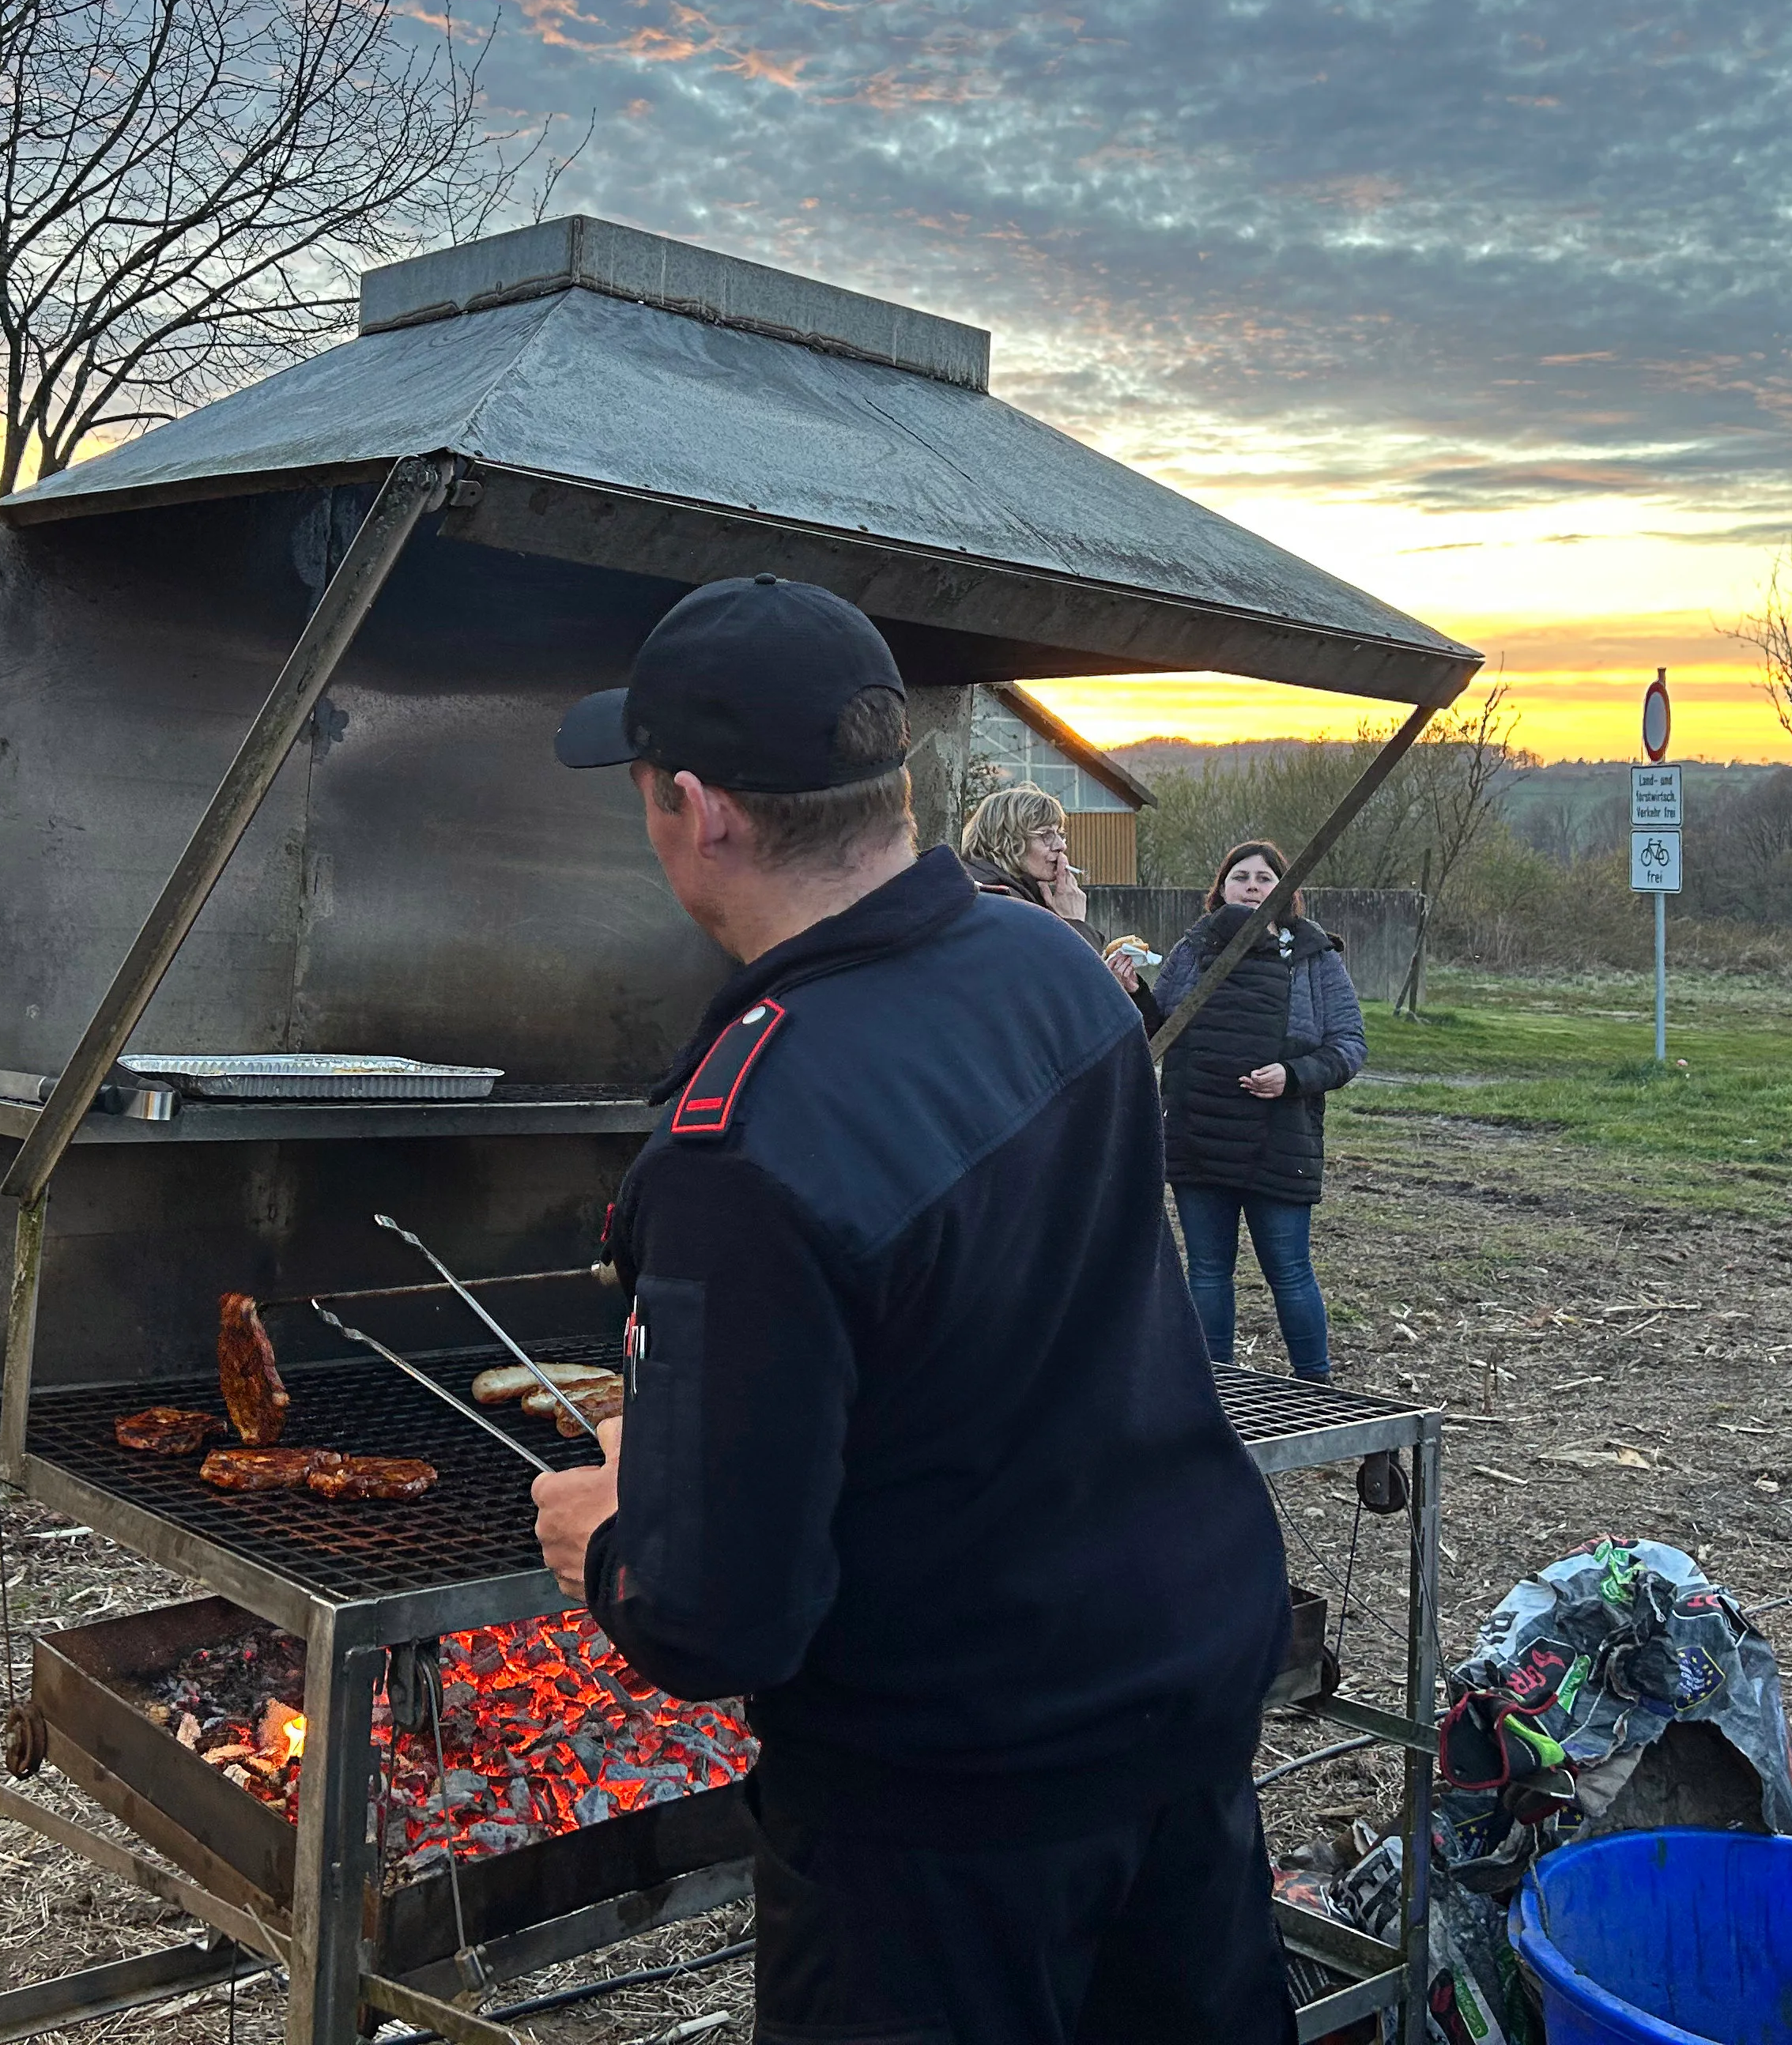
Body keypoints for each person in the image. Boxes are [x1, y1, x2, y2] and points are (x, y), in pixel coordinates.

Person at [530, 575, 1295, 2045]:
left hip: (947, 1811)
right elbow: (1008, 1325)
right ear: (889, 779)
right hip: (1174, 1704)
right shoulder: (1052, 970)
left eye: (639, 789)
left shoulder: (744, 1135)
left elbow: (724, 1618)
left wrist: (612, 1532)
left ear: (700, 809)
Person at [1156, 840, 1368, 1383]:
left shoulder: (1313, 959)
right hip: (1199, 1136)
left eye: (1265, 878)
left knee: (1290, 1272)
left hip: (1280, 1142)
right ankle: (1215, 1390)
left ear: (1286, 891)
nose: (1252, 886)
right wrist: (1132, 991)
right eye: (1241, 877)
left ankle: (1316, 1389)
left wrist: (1292, 1076)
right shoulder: (1191, 953)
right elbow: (1156, 1034)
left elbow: (1347, 1046)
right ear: (1220, 890)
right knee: (1207, 1273)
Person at [960, 783, 1149, 997]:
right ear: (1007, 841)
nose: (1061, 846)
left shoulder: (1019, 894)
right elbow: (1066, 989)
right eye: (1046, 835)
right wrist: (1075, 923)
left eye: (1060, 834)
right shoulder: (996, 901)